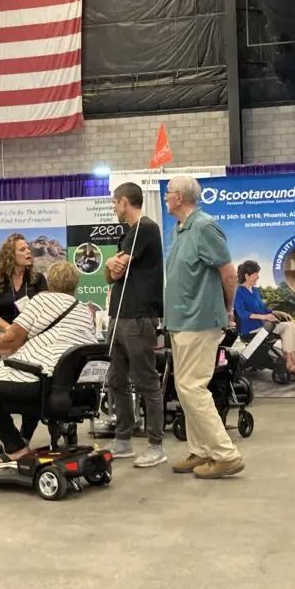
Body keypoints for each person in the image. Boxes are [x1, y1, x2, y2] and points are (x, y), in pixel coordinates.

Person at [0, 261, 95, 467]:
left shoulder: (41, 301)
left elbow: (11, 340)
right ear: (75, 284)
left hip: (45, 385)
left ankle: (16, 448)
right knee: (29, 381)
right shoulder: (83, 311)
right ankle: (24, 438)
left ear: (50, 282)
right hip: (72, 388)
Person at [164, 175, 243, 480]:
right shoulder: (181, 228)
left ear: (180, 197)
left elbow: (229, 273)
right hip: (182, 321)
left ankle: (226, 455)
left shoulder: (204, 225)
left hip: (200, 321)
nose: (167, 197)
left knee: (192, 387)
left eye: (169, 192)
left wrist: (226, 308)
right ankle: (202, 451)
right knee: (185, 390)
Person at [103, 182, 167, 468]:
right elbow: (110, 275)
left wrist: (112, 264)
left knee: (146, 382)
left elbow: (118, 267)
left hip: (139, 317)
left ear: (125, 202)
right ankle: (123, 439)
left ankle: (156, 444)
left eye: (115, 203)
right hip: (118, 315)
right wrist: (111, 264)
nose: (114, 208)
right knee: (116, 380)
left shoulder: (146, 228)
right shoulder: (128, 233)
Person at [233, 260, 295, 376]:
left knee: (290, 325)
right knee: (287, 327)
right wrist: (264, 316)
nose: (258, 277)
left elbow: (262, 308)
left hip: (262, 328)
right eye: (255, 275)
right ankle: (289, 363)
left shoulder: (255, 291)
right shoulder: (238, 292)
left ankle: (292, 361)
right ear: (247, 276)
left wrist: (276, 312)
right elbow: (242, 314)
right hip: (250, 330)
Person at [0, 234, 48, 333]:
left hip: (32, 333)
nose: (28, 251)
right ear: (10, 256)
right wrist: (10, 330)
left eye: (28, 248)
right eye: (22, 250)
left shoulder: (38, 279)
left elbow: (45, 311)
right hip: (4, 332)